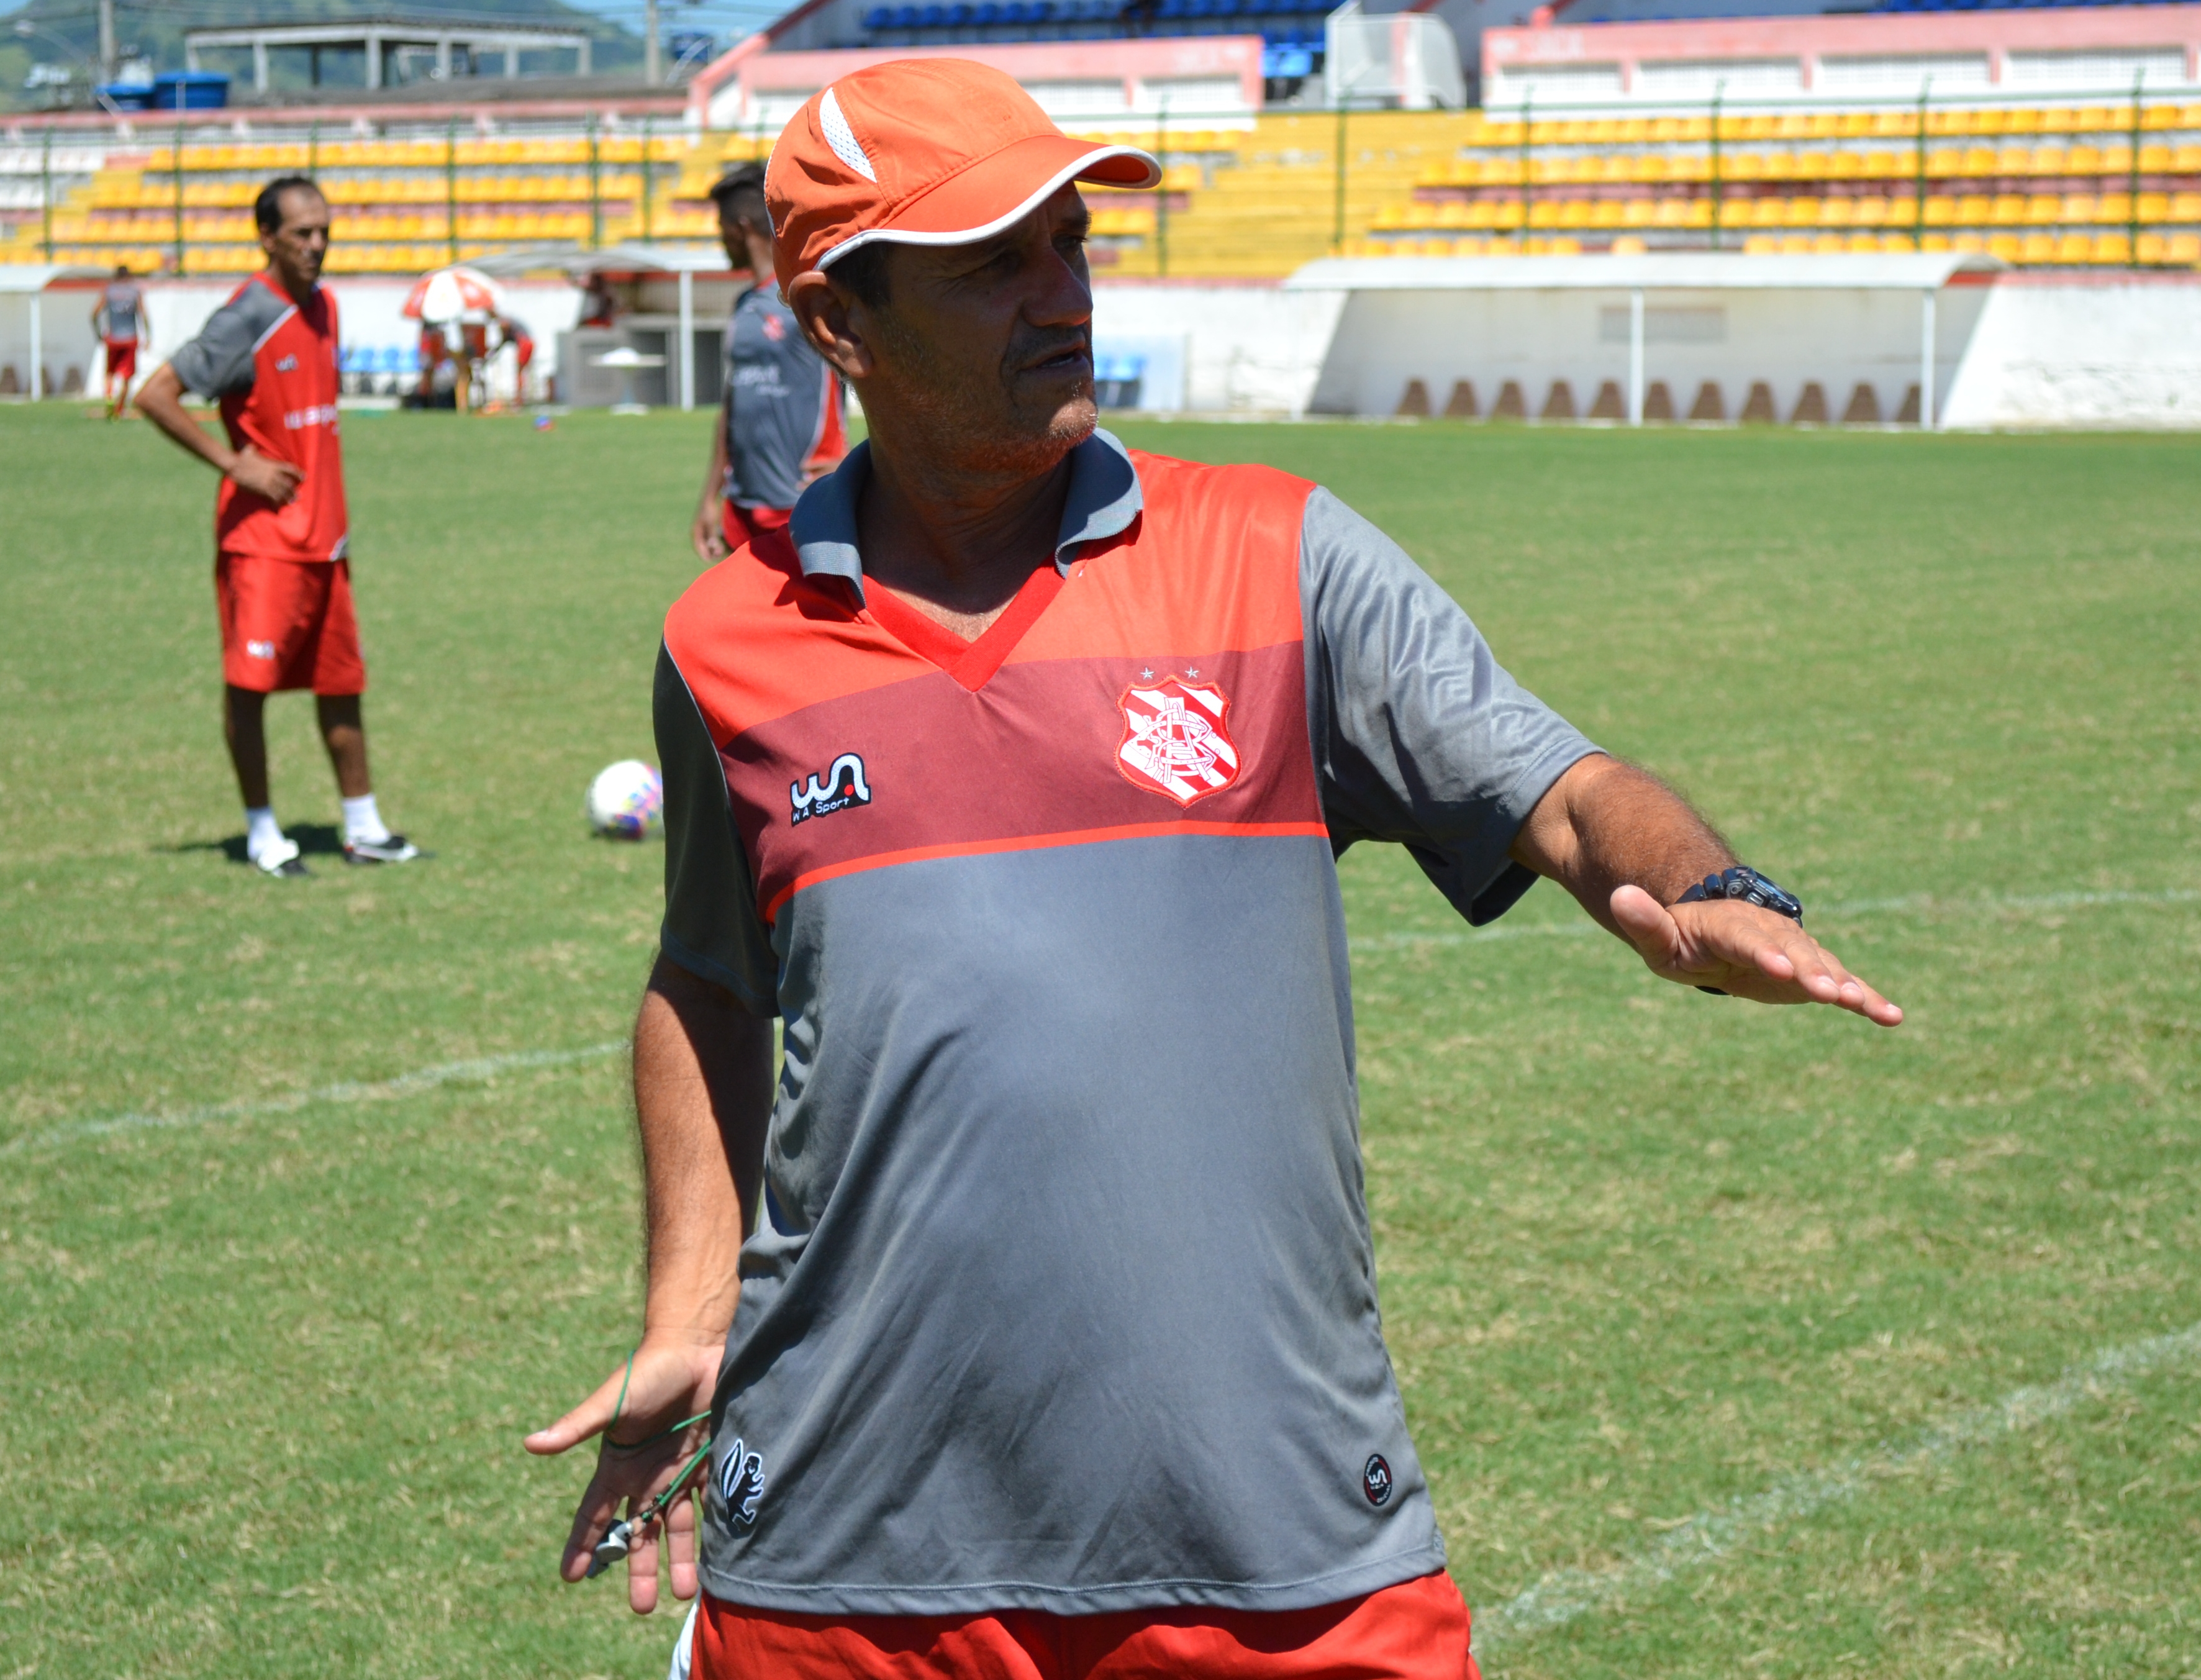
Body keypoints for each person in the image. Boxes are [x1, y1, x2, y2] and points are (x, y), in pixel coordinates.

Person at [525, 59, 1902, 1680]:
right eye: (992, 263)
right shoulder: (722, 648)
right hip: (838, 1557)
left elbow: (1566, 786)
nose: (1059, 296)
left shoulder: (1277, 558)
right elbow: (704, 982)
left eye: (1071, 246)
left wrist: (1710, 884)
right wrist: (688, 1315)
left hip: (1271, 1544)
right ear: (836, 322)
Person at [136, 175, 418, 879]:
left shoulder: (325, 306)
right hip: (262, 543)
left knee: (341, 682)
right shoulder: (247, 314)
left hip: (328, 539)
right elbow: (154, 394)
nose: (317, 244)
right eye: (302, 233)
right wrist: (235, 464)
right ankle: (263, 831)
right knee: (249, 686)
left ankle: (364, 825)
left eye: (324, 230)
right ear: (267, 238)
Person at [689, 161, 848, 563]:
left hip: (800, 498)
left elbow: (876, 371)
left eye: (721, 228)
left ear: (742, 227)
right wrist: (710, 497)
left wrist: (856, 459)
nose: (719, 240)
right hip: (742, 504)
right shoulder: (743, 305)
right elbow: (733, 403)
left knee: (818, 622)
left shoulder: (806, 296)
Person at [93, 264, 146, 420]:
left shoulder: (109, 291)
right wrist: (148, 336)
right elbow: (144, 315)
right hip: (130, 338)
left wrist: (98, 334)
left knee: (110, 373)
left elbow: (94, 314)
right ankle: (120, 407)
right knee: (127, 376)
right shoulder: (135, 292)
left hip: (113, 338)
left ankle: (109, 398)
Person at [496, 313, 538, 406]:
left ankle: (519, 398)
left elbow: (504, 326)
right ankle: (520, 397)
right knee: (522, 372)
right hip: (528, 343)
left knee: (519, 372)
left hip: (525, 344)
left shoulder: (506, 322)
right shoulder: (511, 325)